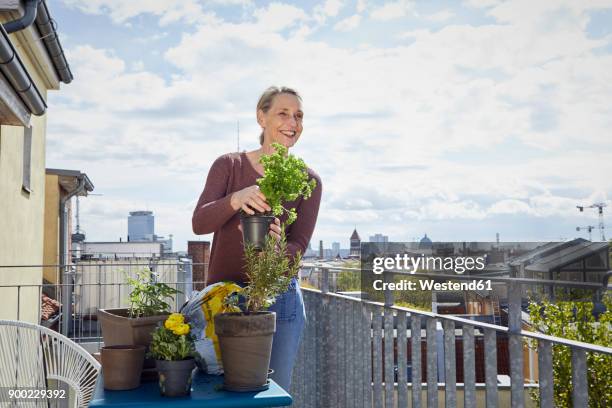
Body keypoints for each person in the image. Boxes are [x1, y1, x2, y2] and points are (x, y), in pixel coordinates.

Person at [192, 86, 322, 392]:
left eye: (299, 116)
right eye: (283, 113)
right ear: (261, 117)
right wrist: (236, 199)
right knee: (218, 389)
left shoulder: (309, 181)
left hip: (280, 300)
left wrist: (277, 251)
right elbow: (199, 223)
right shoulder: (230, 165)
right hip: (224, 297)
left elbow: (299, 245)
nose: (293, 122)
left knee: (270, 392)